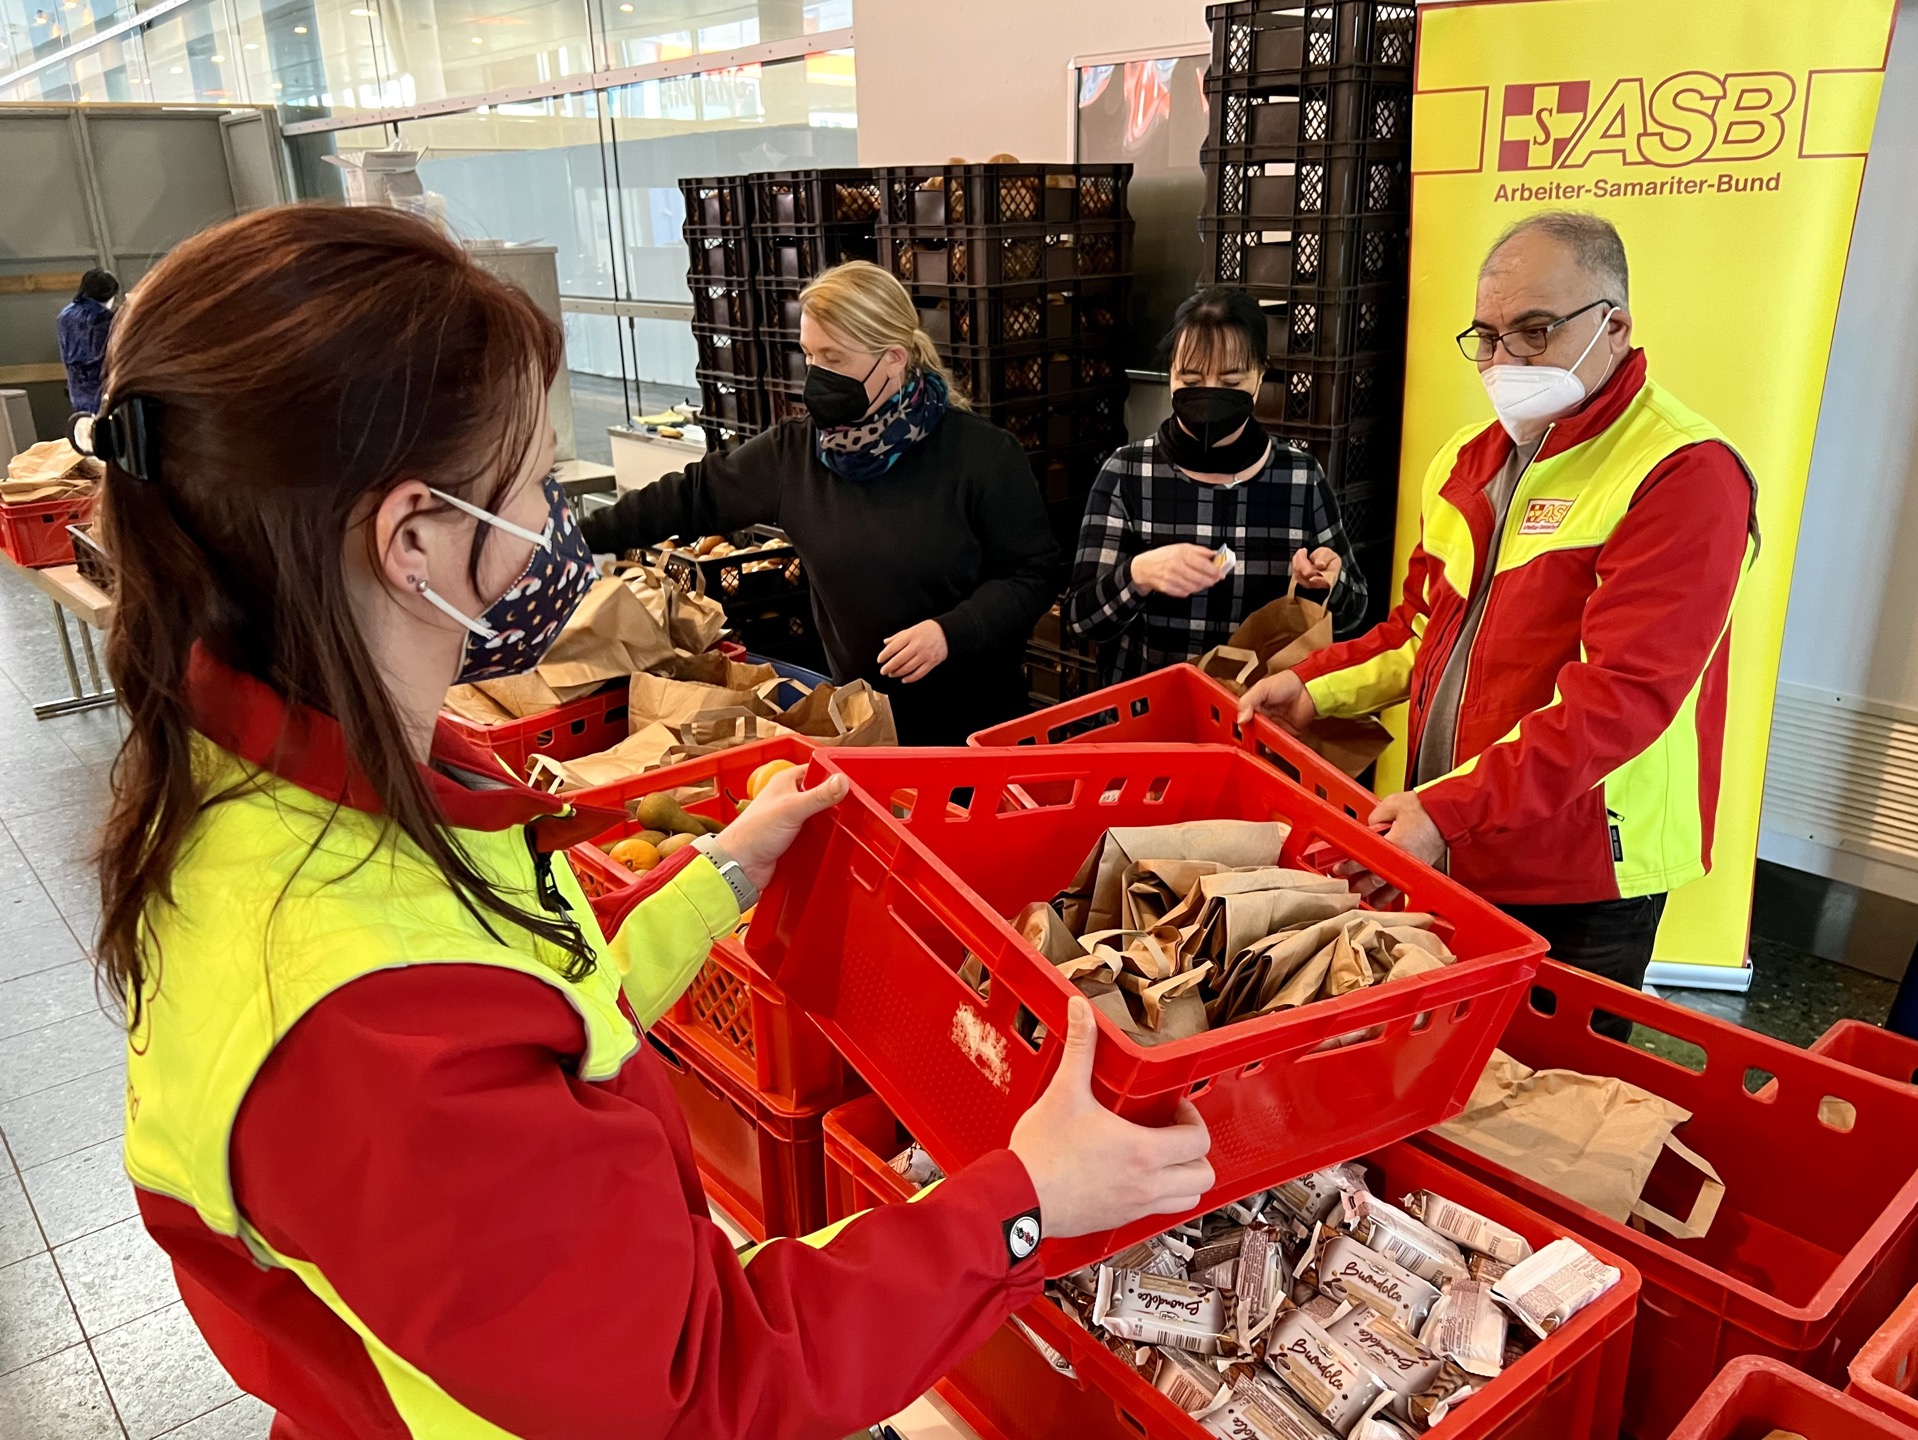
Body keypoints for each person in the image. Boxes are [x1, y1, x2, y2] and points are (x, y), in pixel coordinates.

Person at [90, 205, 1212, 1439]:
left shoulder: (294, 785)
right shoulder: (361, 1022)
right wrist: (1025, 1203)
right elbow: (697, 1388)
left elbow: (538, 1009)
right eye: (531, 484)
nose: (555, 523)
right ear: (412, 538)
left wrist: (721, 875)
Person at [1241, 211, 1758, 1036]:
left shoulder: (1682, 473)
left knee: (1555, 1102)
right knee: (1445, 1076)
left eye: (1534, 331)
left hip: (1580, 864)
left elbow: (1621, 698)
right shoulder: (1466, 460)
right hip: (1453, 833)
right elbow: (1421, 634)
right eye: (1486, 335)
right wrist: (1310, 688)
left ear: (1614, 326)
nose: (1503, 360)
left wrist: (1448, 811)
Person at [582, 261, 1056, 745]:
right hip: (863, 726)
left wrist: (952, 631)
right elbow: (692, 495)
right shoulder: (794, 455)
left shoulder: (981, 456)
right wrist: (570, 535)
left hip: (978, 731)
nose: (816, 375)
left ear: (894, 358)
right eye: (809, 356)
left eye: (834, 358)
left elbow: (1033, 573)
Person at [1062, 287, 1367, 684]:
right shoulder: (1127, 473)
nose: (1209, 393)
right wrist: (1138, 575)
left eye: (1230, 380)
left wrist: (1327, 584)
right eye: (1190, 378)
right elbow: (1078, 623)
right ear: (1171, 374)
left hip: (1255, 719)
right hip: (1149, 720)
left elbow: (1355, 612)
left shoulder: (1300, 478)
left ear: (1260, 375)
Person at [58, 267, 117, 415]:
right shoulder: (104, 318)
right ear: (108, 294)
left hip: (76, 390)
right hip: (104, 391)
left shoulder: (65, 315)